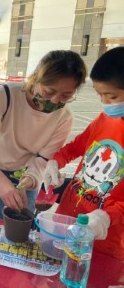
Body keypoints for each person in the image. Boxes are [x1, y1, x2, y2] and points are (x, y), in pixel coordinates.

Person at [0, 50, 87, 219]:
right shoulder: (5, 95)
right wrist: (1, 181)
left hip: (27, 175)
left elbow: (43, 160)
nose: (55, 100)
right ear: (35, 78)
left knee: (21, 224)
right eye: (49, 91)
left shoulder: (64, 117)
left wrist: (26, 183)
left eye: (65, 95)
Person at [43, 47, 124, 260]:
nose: (105, 103)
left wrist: (106, 217)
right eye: (100, 95)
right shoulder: (105, 119)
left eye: (112, 96)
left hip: (103, 239)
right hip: (68, 221)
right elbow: (74, 148)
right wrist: (55, 162)